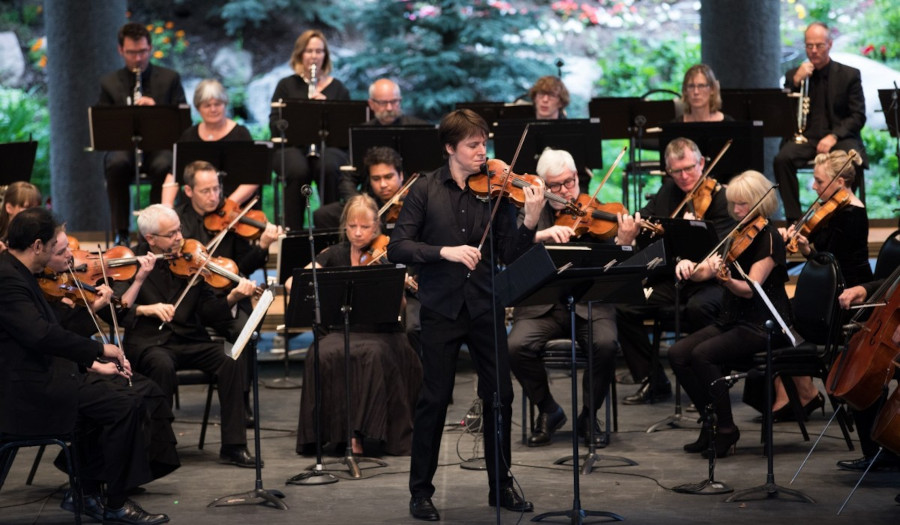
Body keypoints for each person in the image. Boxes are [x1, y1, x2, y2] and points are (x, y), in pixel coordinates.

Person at [387, 109, 540, 521]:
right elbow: (397, 247)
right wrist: (444, 252)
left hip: (486, 305)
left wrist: (528, 219)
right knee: (434, 399)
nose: (482, 152)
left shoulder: (495, 189)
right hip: (440, 308)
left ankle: (501, 485)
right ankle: (420, 492)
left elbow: (509, 252)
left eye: (484, 143)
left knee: (501, 397)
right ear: (450, 148)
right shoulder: (424, 189)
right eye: (473, 144)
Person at [0, 207, 169, 525]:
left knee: (118, 396)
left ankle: (86, 491)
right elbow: (42, 335)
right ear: (37, 246)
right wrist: (99, 349)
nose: (59, 256)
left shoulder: (17, 272)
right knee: (123, 404)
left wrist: (91, 364)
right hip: (25, 392)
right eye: (54, 247)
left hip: (41, 376)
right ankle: (115, 502)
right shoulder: (8, 279)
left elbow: (45, 336)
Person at [116, 204, 259, 468]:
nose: (179, 238)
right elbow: (118, 312)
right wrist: (146, 307)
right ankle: (160, 447)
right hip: (151, 344)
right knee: (161, 364)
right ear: (150, 239)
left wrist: (232, 297)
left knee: (231, 357)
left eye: (179, 230)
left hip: (191, 340)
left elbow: (208, 312)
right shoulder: (131, 263)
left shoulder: (190, 261)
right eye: (170, 234)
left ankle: (234, 445)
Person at [668, 169, 790, 458]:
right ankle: (709, 420)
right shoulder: (735, 233)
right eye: (733, 204)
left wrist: (727, 282)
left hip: (764, 322)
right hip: (734, 318)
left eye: (742, 204)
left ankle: (726, 429)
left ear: (760, 203)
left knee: (702, 354)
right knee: (678, 354)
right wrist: (688, 267)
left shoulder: (770, 238)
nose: (735, 210)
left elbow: (750, 289)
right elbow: (707, 269)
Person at [507, 147, 620, 448]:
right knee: (515, 346)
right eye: (554, 186)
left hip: (589, 303)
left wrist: (624, 239)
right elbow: (511, 251)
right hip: (541, 306)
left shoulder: (594, 211)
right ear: (541, 185)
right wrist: (537, 233)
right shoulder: (529, 210)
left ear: (577, 178)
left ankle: (588, 415)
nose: (564, 192)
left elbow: (617, 254)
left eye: (568, 183)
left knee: (606, 344)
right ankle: (549, 410)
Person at [293, 194, 421, 456]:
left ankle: (359, 433)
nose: (358, 233)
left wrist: (398, 283)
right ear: (345, 226)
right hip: (342, 330)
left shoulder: (388, 254)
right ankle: (331, 434)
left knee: (371, 355)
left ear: (376, 227)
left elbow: (401, 308)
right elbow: (299, 281)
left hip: (382, 333)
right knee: (319, 353)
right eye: (352, 226)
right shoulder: (333, 253)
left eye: (365, 227)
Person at [615, 137, 736, 405]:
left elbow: (721, 249)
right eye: (676, 171)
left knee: (699, 308)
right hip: (674, 279)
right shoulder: (668, 190)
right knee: (624, 305)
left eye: (689, 169)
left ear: (702, 162)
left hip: (710, 282)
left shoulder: (722, 198)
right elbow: (646, 220)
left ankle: (709, 381)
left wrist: (691, 232)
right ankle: (653, 380)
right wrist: (631, 230)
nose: (683, 177)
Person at [770, 149, 871, 417]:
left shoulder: (851, 214)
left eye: (819, 181)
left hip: (847, 296)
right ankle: (800, 390)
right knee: (777, 313)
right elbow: (824, 257)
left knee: (781, 315)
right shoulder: (834, 209)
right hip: (830, 289)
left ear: (840, 182)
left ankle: (802, 392)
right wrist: (805, 247)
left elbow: (832, 262)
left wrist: (809, 250)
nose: (814, 187)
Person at [98, 22, 187, 246]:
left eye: (143, 52)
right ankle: (122, 232)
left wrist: (156, 110)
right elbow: (104, 124)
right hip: (125, 147)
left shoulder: (170, 78)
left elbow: (183, 121)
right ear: (121, 50)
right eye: (131, 52)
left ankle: (156, 231)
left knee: (165, 164)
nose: (138, 58)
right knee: (116, 162)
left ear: (150, 48)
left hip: (159, 147)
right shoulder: (109, 83)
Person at [773, 21, 867, 222]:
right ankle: (794, 220)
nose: (813, 51)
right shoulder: (794, 76)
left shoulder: (849, 75)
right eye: (809, 46)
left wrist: (834, 136)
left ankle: (841, 214)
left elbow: (858, 116)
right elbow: (784, 115)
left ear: (830, 44)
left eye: (819, 45)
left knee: (853, 161)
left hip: (838, 136)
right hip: (806, 138)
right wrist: (795, 82)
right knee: (782, 159)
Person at [269, 29, 352, 230]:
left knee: (329, 167)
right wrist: (303, 112)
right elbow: (274, 125)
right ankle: (293, 233)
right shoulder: (286, 85)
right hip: (293, 147)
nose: (314, 56)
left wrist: (327, 111)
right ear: (300, 54)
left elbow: (347, 130)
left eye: (319, 51)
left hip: (329, 148)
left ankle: (332, 231)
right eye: (308, 51)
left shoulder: (338, 88)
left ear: (325, 56)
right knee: (297, 169)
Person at [161, 79, 257, 208]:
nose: (213, 109)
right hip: (195, 209)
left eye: (217, 104)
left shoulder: (241, 134)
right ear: (198, 108)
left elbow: (253, 177)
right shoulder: (189, 135)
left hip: (234, 206)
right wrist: (166, 205)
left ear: (225, 104)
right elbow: (173, 174)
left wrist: (230, 204)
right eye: (207, 105)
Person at [314, 145, 406, 229]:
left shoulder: (412, 198)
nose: (383, 185)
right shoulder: (371, 198)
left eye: (388, 177)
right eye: (376, 178)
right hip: (372, 204)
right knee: (323, 215)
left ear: (401, 175)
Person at [365, 78, 430, 127]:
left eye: (394, 101)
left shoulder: (420, 127)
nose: (389, 108)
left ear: (400, 100)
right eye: (383, 103)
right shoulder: (362, 133)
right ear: (371, 104)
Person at [0, 181, 42, 250]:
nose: (34, 213)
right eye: (27, 207)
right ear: (9, 208)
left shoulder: (41, 236)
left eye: (36, 208)